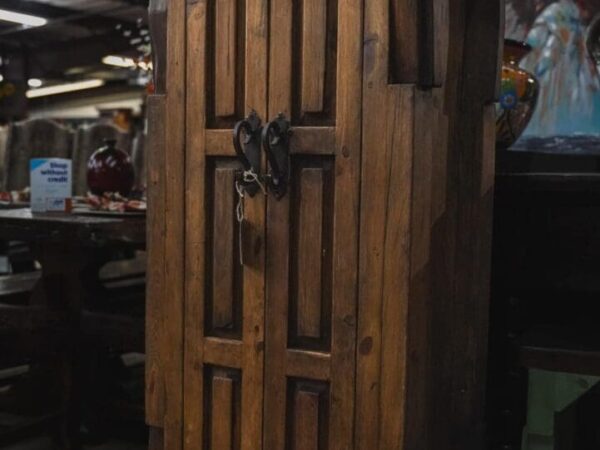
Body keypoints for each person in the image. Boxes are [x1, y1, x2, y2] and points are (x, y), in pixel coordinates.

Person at [521, 0, 600, 135]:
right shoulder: (556, 15)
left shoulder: (584, 25)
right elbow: (532, 52)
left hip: (574, 85)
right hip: (554, 82)